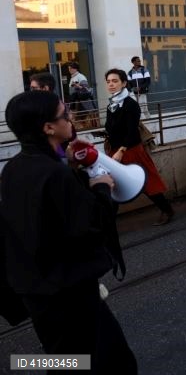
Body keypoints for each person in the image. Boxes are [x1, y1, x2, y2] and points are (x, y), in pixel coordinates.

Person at [0, 91, 136, 373]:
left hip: (38, 290)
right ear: (48, 127)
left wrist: (72, 168)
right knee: (110, 361)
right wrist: (101, 187)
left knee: (63, 356)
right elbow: (90, 226)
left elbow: (50, 213)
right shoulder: (53, 173)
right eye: (65, 114)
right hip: (68, 292)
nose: (71, 117)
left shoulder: (14, 168)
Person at [104, 69, 175, 225]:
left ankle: (166, 209)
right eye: (108, 81)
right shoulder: (112, 104)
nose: (111, 84)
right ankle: (107, 221)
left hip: (130, 150)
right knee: (112, 184)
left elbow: (131, 131)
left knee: (146, 182)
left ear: (123, 83)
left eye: (115, 81)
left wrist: (121, 150)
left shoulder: (130, 104)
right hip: (115, 151)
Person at [67, 62, 98, 128]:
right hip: (77, 101)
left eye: (70, 68)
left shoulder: (80, 77)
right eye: (69, 68)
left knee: (86, 118)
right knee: (79, 119)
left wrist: (77, 86)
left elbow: (86, 88)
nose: (69, 70)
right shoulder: (73, 77)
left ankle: (93, 131)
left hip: (83, 101)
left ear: (75, 69)